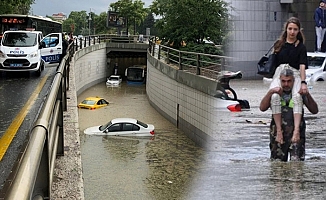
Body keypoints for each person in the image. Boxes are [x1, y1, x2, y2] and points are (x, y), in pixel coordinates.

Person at [260, 69, 318, 161]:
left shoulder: (298, 93)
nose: (286, 84)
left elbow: (314, 110)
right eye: (283, 81)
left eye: (289, 81)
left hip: (297, 135)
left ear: (293, 80)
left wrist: (307, 95)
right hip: (278, 135)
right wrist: (270, 92)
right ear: (280, 80)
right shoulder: (275, 93)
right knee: (277, 165)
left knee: (297, 165)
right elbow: (262, 108)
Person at [268, 17, 308, 152]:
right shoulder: (279, 44)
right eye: (290, 29)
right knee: (274, 97)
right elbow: (273, 65)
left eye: (295, 29)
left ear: (298, 31)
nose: (292, 32)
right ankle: (278, 131)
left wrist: (303, 83)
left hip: (295, 74)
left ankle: (296, 130)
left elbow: (302, 67)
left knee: (297, 97)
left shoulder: (301, 47)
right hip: (279, 73)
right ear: (286, 29)